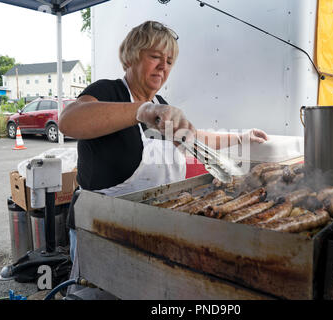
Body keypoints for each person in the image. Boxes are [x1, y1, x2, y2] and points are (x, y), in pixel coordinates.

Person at [58, 20, 268, 298]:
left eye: (169, 61)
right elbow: (69, 120)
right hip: (101, 230)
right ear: (131, 56)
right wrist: (141, 111)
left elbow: (195, 138)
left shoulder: (161, 106)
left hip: (152, 227)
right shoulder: (109, 91)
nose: (163, 66)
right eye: (155, 56)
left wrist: (241, 137)